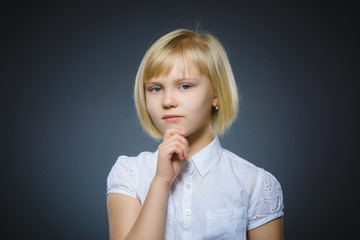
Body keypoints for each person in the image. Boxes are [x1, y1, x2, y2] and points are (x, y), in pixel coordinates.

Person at [106, 28, 284, 240]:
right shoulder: (129, 174)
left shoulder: (255, 183)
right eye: (155, 89)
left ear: (215, 95)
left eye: (185, 86)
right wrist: (160, 183)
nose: (167, 101)